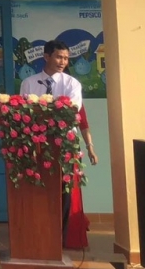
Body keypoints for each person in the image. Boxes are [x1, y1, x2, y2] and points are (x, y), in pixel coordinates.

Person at [19, 40, 96, 243]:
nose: (63, 62)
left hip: (65, 144)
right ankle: (39, 235)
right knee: (37, 189)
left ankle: (60, 237)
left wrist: (89, 146)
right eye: (59, 57)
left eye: (66, 58)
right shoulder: (29, 83)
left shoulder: (72, 84)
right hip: (37, 144)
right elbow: (23, 112)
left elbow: (71, 110)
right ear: (46, 57)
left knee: (65, 191)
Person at [65, 105, 99, 249]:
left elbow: (83, 124)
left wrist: (90, 149)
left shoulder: (74, 98)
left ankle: (70, 236)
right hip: (46, 148)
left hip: (68, 148)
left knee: (70, 191)